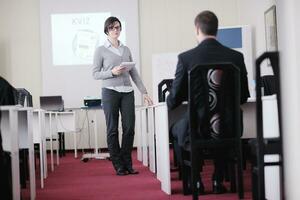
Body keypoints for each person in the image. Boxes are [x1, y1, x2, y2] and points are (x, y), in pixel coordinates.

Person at [167, 11, 250, 194]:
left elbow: (173, 101)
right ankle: (218, 180)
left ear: (197, 29)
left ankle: (195, 180)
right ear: (217, 30)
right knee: (219, 126)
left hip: (197, 129)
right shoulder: (236, 57)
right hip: (229, 127)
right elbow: (243, 97)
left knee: (179, 128)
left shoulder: (186, 58)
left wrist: (170, 98)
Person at [92, 16, 153, 176]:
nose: (116, 30)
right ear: (107, 30)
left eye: (118, 27)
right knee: (112, 130)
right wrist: (112, 72)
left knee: (129, 129)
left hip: (127, 92)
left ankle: (128, 163)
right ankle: (118, 165)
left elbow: (134, 72)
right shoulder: (100, 50)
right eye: (112, 28)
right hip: (110, 92)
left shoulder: (126, 49)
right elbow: (95, 74)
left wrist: (144, 92)